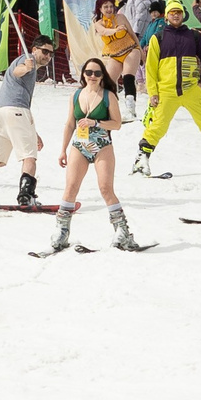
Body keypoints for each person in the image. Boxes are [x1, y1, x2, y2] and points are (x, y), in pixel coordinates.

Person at [45, 57, 144, 254]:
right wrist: (63, 149)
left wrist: (96, 123)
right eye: (89, 72)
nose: (92, 76)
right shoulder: (76, 95)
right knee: (71, 187)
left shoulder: (108, 96)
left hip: (102, 146)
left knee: (105, 188)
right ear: (83, 74)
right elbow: (70, 124)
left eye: (97, 73)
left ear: (102, 76)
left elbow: (116, 123)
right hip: (78, 146)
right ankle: (62, 230)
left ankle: (122, 231)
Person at [132, 0, 201, 177]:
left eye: (178, 12)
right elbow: (151, 67)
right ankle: (141, 160)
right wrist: (153, 92)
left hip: (191, 90)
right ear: (167, 16)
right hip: (167, 91)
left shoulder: (194, 36)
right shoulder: (159, 37)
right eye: (172, 12)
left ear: (183, 14)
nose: (176, 15)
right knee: (158, 125)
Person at [0, 37, 53, 205]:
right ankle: (26, 196)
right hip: (16, 111)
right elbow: (17, 71)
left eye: (51, 53)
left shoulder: (27, 61)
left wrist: (33, 132)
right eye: (45, 51)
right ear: (34, 49)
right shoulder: (28, 60)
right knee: (29, 157)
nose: (48, 56)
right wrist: (26, 67)